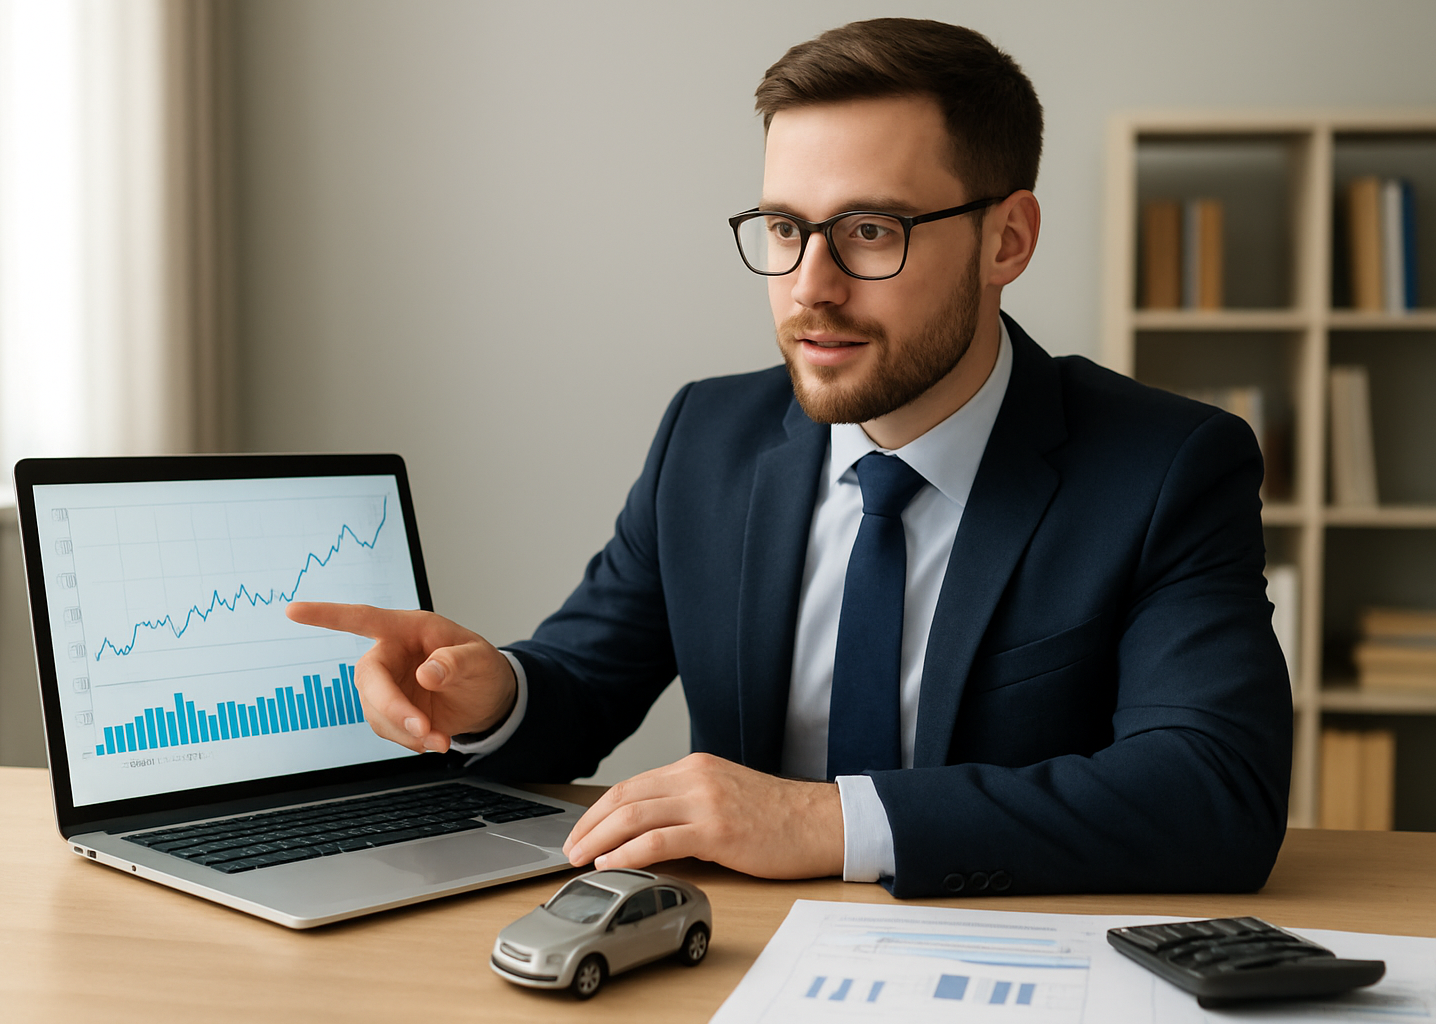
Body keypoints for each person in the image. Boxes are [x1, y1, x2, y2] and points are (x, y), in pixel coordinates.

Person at [288, 18, 1292, 898]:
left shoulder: (1167, 468)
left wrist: (819, 823)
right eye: (783, 227)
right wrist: (494, 694)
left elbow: (1212, 789)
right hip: (732, 962)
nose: (810, 286)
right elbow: (586, 684)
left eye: (869, 230)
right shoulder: (707, 438)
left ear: (1007, 240)